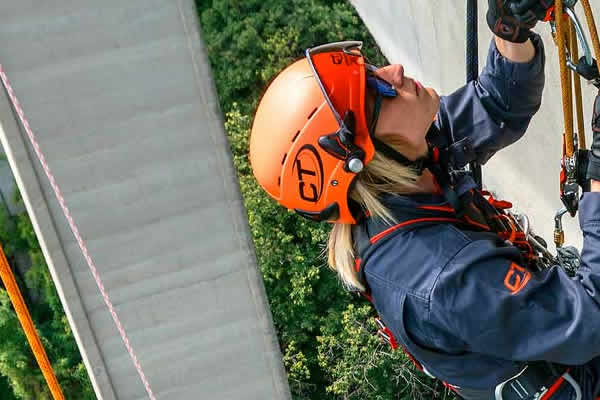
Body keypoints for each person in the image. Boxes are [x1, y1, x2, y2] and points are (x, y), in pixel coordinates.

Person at [250, 1, 600, 398]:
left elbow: (497, 104)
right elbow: (589, 320)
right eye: (377, 90)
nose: (393, 72)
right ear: (364, 157)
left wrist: (510, 29)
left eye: (372, 69)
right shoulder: (440, 279)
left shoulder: (407, 169)